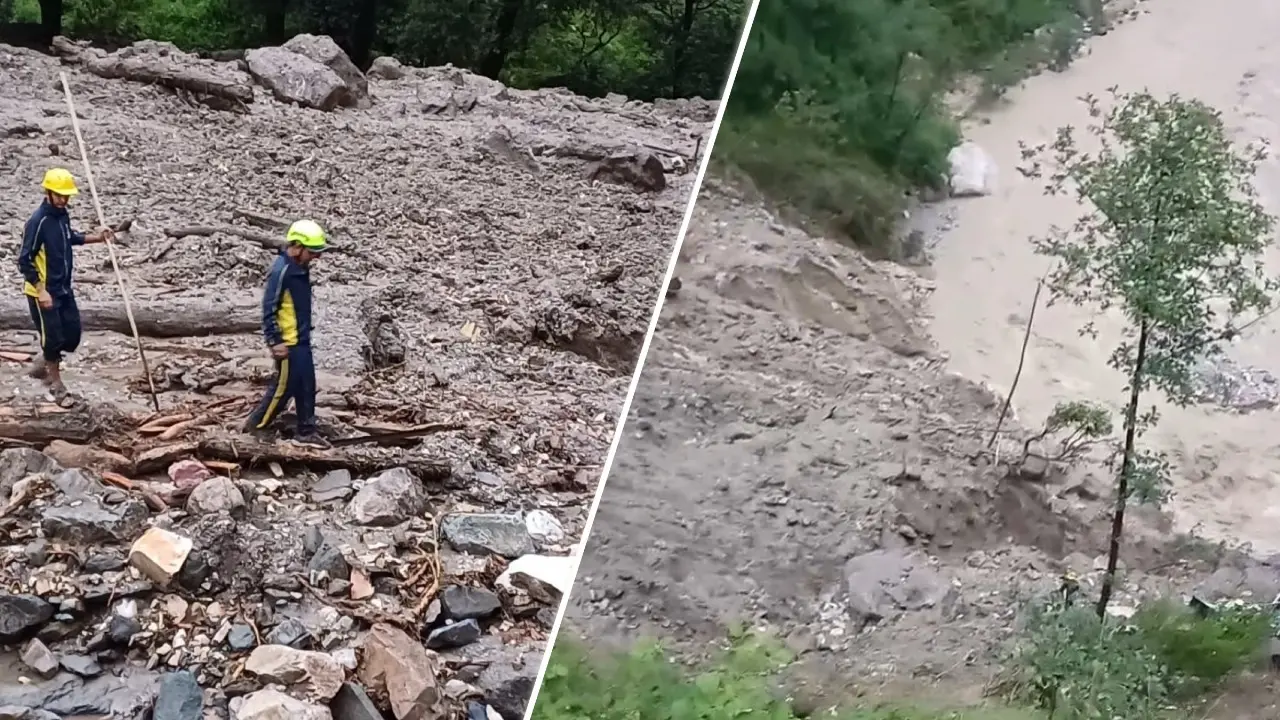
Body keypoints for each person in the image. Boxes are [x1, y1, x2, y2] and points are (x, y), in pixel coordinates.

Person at [18, 168, 115, 400]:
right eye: (59, 195)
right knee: (52, 337)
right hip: (43, 290)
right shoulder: (38, 221)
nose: (63, 200)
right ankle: (55, 381)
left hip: (62, 287)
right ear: (48, 193)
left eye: (66, 196)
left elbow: (70, 237)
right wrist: (41, 290)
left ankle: (45, 361)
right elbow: (24, 259)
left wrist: (97, 238)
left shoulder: (61, 215)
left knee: (72, 335)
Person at [243, 219, 331, 448]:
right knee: (283, 388)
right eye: (313, 252)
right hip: (288, 343)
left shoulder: (300, 267)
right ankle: (257, 425)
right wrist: (275, 340)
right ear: (298, 246)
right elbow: (269, 307)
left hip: (302, 340)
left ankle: (306, 431)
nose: (317, 257)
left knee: (306, 385)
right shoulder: (282, 271)